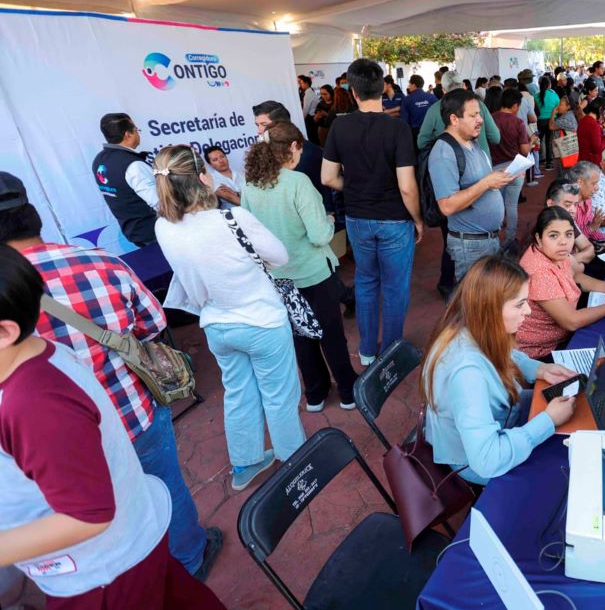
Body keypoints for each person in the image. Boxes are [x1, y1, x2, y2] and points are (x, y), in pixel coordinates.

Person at [0, 246, 236, 610]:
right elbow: (153, 322)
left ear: (5, 331)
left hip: (103, 570)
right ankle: (193, 554)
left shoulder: (33, 403)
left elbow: (90, 514)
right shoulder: (46, 343)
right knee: (180, 595)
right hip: (136, 427)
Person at [0, 172, 220, 579]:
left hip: (58, 447)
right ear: (33, 214)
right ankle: (190, 560)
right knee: (165, 486)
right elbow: (153, 324)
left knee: (98, 516)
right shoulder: (99, 261)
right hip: (134, 411)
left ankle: (147, 576)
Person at [153, 145, 307, 489]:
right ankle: (295, 464)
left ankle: (245, 464)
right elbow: (279, 257)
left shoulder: (163, 227)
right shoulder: (233, 219)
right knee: (279, 396)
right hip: (262, 322)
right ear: (202, 177)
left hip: (217, 326)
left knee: (238, 393)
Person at [422, 255, 580, 485]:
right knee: (561, 470)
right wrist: (548, 421)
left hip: (502, 415)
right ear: (491, 307)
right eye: (520, 304)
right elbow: (487, 459)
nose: (528, 311)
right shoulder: (467, 373)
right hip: (475, 461)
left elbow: (504, 353)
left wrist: (540, 369)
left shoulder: (473, 323)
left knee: (571, 411)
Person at [242, 122, 360, 411]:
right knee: (331, 335)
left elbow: (249, 233)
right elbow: (319, 236)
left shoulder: (249, 185)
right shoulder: (297, 182)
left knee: (301, 336)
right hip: (313, 272)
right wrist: (329, 221)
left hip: (279, 277)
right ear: (293, 147)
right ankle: (348, 392)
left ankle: (315, 395)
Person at [320, 58, 422, 367]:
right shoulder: (398, 129)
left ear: (353, 91)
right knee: (395, 287)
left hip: (357, 218)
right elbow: (407, 187)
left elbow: (328, 178)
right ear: (382, 88)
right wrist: (418, 220)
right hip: (395, 220)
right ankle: (391, 352)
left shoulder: (339, 126)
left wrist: (353, 189)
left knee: (365, 282)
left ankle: (366, 352)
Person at [516, 207, 605, 357]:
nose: (563, 242)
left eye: (569, 234)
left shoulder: (554, 253)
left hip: (561, 334)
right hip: (539, 351)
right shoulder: (539, 273)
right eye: (553, 236)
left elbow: (574, 276)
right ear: (538, 238)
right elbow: (571, 322)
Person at [430, 89, 517, 283]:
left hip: (487, 240)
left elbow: (481, 180)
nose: (480, 120)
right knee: (474, 299)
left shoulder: (472, 142)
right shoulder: (444, 152)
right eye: (473, 115)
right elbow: (447, 206)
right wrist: (487, 183)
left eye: (479, 114)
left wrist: (501, 177)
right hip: (470, 246)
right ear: (454, 119)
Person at [93, 112, 158, 246]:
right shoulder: (133, 165)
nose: (138, 134)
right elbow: (159, 202)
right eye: (136, 130)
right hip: (154, 232)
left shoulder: (99, 161)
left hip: (133, 231)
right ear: (128, 134)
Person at [418, 70, 501, 157]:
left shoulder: (434, 110)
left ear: (444, 90)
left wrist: (439, 140)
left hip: (449, 161)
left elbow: (422, 143)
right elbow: (495, 138)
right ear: (464, 85)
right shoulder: (478, 104)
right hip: (482, 161)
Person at [490, 88, 531, 244]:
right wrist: (532, 142)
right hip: (516, 168)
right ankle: (510, 239)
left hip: (495, 170)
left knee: (496, 205)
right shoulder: (518, 122)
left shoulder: (491, 119)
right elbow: (525, 150)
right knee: (511, 205)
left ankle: (494, 237)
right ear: (515, 105)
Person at [564, 160, 605, 252]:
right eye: (594, 183)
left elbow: (592, 230)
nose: (597, 188)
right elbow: (572, 242)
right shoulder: (569, 207)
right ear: (580, 182)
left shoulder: (588, 200)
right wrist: (592, 227)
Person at [545, 178, 596, 265]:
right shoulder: (544, 229)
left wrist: (569, 260)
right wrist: (578, 261)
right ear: (550, 204)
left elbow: (590, 250)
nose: (573, 210)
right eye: (567, 205)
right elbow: (554, 266)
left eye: (575, 205)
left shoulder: (568, 221)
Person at [399, 74, 438, 146]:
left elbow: (404, 120)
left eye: (409, 84)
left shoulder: (407, 100)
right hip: (431, 131)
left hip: (415, 133)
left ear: (414, 85)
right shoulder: (431, 97)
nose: (408, 86)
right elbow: (439, 112)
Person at [536, 76, 560, 169]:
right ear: (549, 85)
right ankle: (549, 163)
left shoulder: (536, 96)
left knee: (538, 141)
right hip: (551, 120)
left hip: (539, 121)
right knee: (549, 142)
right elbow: (558, 107)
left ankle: (538, 161)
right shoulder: (554, 95)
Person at [577, 97, 605, 165]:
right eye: (604, 112)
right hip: (591, 163)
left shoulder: (583, 120)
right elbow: (597, 150)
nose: (604, 115)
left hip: (582, 159)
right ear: (600, 109)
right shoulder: (594, 125)